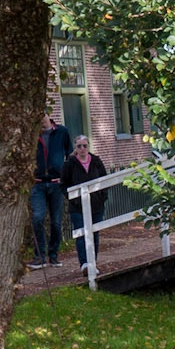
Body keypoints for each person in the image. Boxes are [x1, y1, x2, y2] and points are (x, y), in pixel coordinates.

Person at [30, 108, 73, 267]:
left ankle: (53, 255)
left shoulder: (62, 132)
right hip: (38, 183)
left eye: (42, 115)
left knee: (56, 222)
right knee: (37, 218)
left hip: (56, 183)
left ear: (48, 115)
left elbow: (69, 154)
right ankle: (39, 256)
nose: (41, 120)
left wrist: (66, 176)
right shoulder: (32, 135)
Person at [60, 136, 109, 271]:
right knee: (81, 234)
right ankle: (84, 264)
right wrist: (73, 199)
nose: (82, 149)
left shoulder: (96, 161)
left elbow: (105, 179)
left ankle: (93, 262)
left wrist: (102, 197)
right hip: (78, 206)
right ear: (75, 148)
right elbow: (63, 184)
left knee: (94, 234)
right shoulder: (69, 164)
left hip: (96, 205)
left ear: (88, 147)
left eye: (85, 146)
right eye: (79, 146)